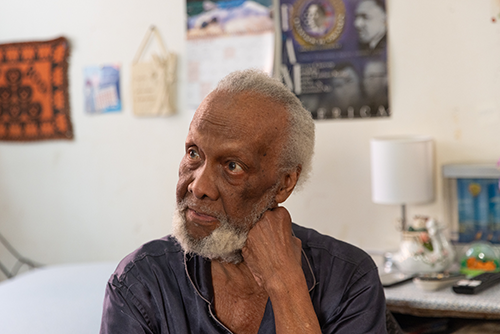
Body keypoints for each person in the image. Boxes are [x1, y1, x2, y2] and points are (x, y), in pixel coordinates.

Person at [100, 69, 387, 333]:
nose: (198, 187)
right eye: (193, 154)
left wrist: (285, 284)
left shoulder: (349, 280)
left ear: (284, 183)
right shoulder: (141, 281)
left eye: (232, 166)